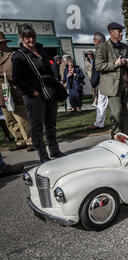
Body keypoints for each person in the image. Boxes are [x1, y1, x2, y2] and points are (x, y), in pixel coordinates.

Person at [11, 23, 65, 163]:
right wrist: (32, 92)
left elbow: (48, 70)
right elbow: (17, 79)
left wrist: (55, 83)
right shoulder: (19, 55)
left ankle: (54, 150)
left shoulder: (42, 50)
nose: (31, 40)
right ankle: (43, 155)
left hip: (49, 92)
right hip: (33, 96)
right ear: (21, 38)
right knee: (36, 127)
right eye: (27, 37)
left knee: (51, 124)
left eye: (33, 36)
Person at [95, 22, 128, 139]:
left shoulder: (126, 47)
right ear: (111, 32)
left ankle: (125, 138)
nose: (122, 33)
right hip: (113, 87)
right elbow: (98, 66)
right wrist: (115, 64)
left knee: (127, 114)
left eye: (122, 31)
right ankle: (116, 139)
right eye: (119, 31)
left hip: (126, 85)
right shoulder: (102, 47)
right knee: (116, 114)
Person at [0, 31, 34, 151]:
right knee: (9, 119)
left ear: (5, 43)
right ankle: (19, 140)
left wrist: (3, 75)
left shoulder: (14, 55)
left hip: (14, 91)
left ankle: (30, 140)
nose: (1, 46)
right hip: (2, 94)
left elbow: (19, 73)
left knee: (21, 117)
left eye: (2, 43)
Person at [88, 32, 109, 130]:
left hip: (104, 81)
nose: (93, 42)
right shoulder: (109, 49)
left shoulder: (100, 50)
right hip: (111, 80)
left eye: (94, 40)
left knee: (101, 103)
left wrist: (93, 82)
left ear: (98, 40)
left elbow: (97, 68)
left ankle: (99, 123)